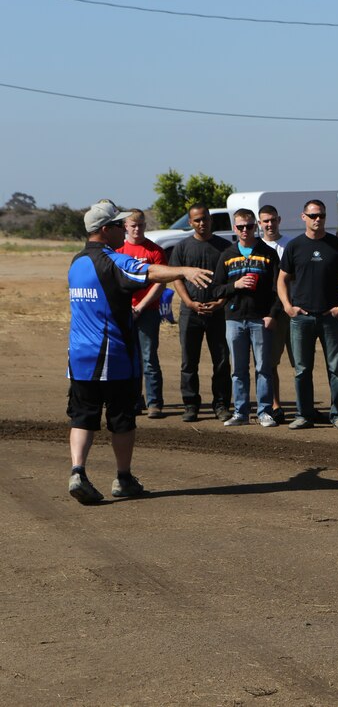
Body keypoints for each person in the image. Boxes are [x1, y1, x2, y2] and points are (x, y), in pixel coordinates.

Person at [67, 199, 212, 504]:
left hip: (79, 358)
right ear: (105, 230)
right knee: (122, 420)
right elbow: (146, 271)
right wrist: (182, 270)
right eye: (119, 225)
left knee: (82, 416)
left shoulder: (77, 262)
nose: (124, 229)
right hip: (114, 358)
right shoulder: (112, 261)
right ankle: (123, 478)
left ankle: (77, 472)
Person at [278, 199, 338, 430]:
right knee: (302, 370)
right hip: (301, 318)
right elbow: (282, 278)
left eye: (321, 215)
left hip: (330, 317)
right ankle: (304, 415)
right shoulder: (294, 246)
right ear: (304, 217)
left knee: (336, 369)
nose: (317, 219)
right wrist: (287, 306)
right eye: (312, 215)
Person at [211, 208, 281, 427]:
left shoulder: (268, 253)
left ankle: (264, 411)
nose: (244, 230)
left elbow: (278, 289)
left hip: (260, 318)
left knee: (263, 368)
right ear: (234, 228)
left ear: (256, 226)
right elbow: (215, 289)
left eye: (249, 226)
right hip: (234, 318)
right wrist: (235, 285)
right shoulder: (227, 254)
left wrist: (272, 315)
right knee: (238, 369)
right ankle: (240, 412)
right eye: (240, 226)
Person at [170, 203, 232, 422]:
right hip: (191, 312)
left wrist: (220, 302)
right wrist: (189, 302)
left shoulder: (225, 247)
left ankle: (222, 404)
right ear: (190, 222)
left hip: (218, 312)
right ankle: (190, 405)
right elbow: (176, 277)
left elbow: (231, 280)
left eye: (205, 219)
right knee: (189, 361)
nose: (202, 223)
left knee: (222, 361)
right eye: (197, 220)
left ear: (210, 220)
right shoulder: (182, 247)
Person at [115, 209, 167, 419]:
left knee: (149, 358)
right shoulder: (118, 250)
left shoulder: (154, 251)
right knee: (128, 358)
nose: (137, 229)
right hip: (124, 311)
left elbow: (160, 283)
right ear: (125, 226)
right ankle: (134, 399)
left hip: (147, 312)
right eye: (133, 225)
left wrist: (141, 307)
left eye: (141, 225)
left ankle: (155, 402)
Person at [258, 204, 292, 423]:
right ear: (260, 224)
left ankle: (306, 406)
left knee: (300, 362)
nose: (270, 225)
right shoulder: (257, 247)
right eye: (265, 221)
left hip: (292, 309)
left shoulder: (290, 244)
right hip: (270, 312)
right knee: (270, 362)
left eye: (273, 220)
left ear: (279, 220)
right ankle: (276, 405)